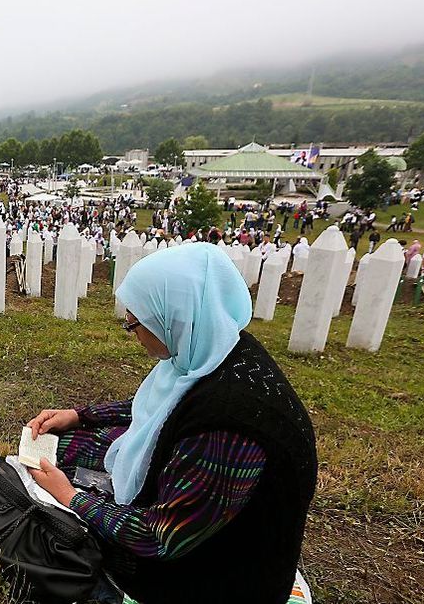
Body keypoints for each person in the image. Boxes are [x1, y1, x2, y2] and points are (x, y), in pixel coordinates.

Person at [25, 244, 317, 604]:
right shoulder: (212, 347)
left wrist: (71, 496)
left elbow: (161, 536)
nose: (132, 334)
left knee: (51, 527)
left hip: (220, 577)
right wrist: (79, 416)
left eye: (135, 324)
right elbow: (159, 407)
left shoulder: (227, 427)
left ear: (173, 317)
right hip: (208, 528)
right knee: (67, 444)